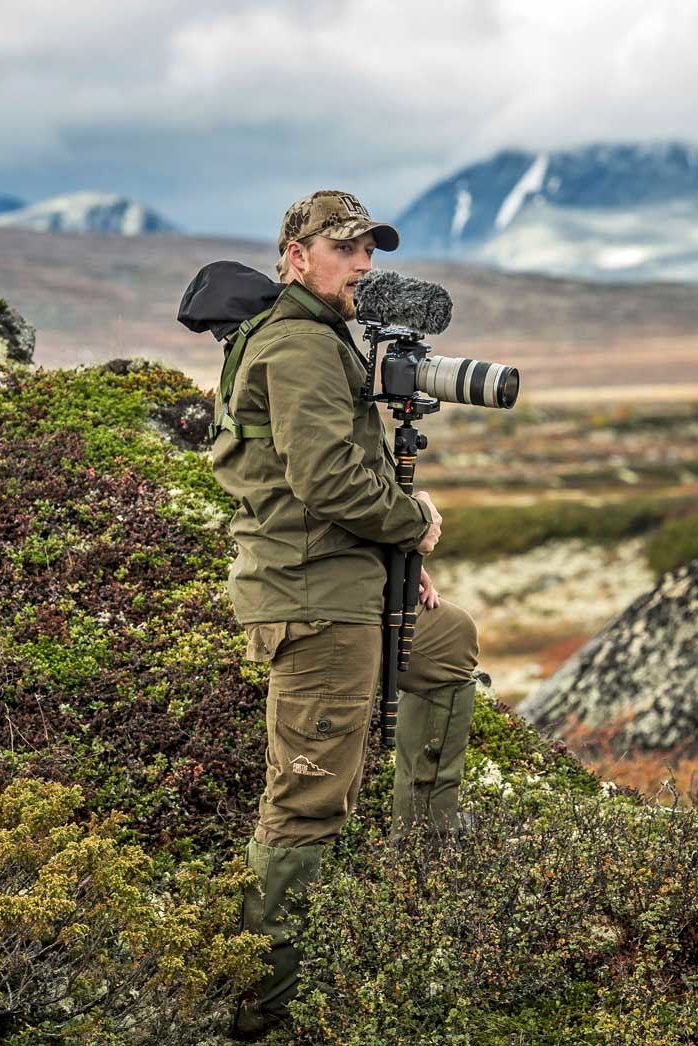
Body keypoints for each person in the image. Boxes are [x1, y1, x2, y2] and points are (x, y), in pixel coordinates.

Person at [208, 189, 481, 1037]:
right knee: (306, 802)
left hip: (347, 580)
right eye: (345, 248)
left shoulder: (325, 339)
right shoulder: (295, 345)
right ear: (296, 256)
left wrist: (398, 563)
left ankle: (420, 878)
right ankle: (261, 1010)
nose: (363, 263)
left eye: (369, 249)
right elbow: (326, 482)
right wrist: (415, 525)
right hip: (312, 599)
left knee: (444, 643)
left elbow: (338, 477)